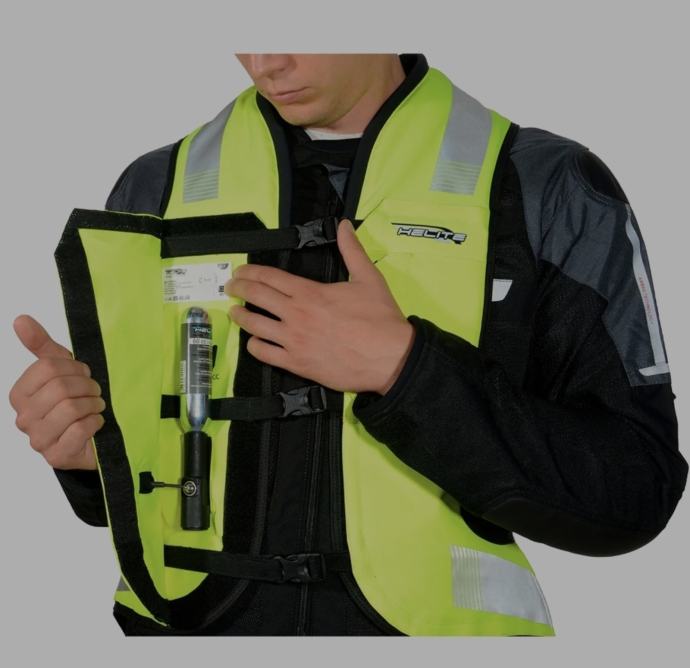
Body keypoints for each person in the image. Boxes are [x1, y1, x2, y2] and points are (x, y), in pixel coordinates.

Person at [9, 53, 688, 636]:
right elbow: (140, 476)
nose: (267, 61)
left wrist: (405, 372)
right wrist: (87, 450)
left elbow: (635, 489)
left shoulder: (544, 184)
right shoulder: (156, 186)